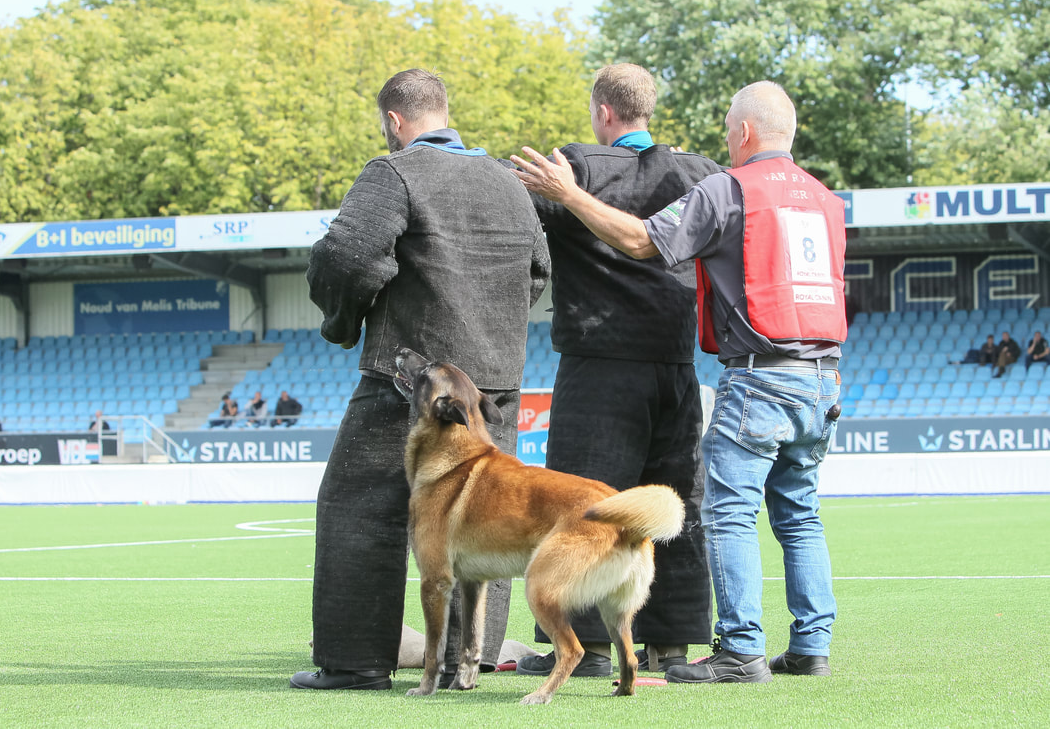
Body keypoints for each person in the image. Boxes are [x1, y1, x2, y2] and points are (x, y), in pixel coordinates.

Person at [513, 80, 845, 683]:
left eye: (729, 129)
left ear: (745, 132)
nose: (726, 140)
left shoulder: (730, 187)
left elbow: (643, 240)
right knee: (789, 514)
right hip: (819, 375)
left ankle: (732, 649)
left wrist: (566, 192)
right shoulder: (822, 198)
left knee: (723, 513)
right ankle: (800, 646)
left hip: (742, 372)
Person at [292, 68, 550, 692]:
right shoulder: (508, 182)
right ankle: (471, 660)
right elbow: (539, 270)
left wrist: (342, 322)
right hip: (490, 389)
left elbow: (345, 256)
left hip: (410, 383)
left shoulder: (395, 172)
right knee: (483, 520)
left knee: (359, 509)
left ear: (394, 121)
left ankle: (356, 663)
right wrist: (491, 337)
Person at [514, 63, 716, 679]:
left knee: (585, 501)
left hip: (601, 362)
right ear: (646, 109)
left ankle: (588, 647)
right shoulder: (699, 172)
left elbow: (514, 214)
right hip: (675, 362)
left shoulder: (575, 167)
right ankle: (671, 645)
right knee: (674, 503)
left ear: (604, 112)